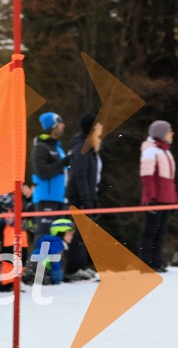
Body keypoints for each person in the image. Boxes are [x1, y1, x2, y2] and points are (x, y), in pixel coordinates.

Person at [65, 113, 103, 278]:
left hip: (87, 196)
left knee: (84, 233)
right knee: (77, 233)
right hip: (78, 198)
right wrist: (86, 199)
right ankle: (73, 269)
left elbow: (92, 177)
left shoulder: (90, 148)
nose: (101, 131)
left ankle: (80, 265)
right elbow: (80, 176)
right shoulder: (81, 148)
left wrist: (93, 197)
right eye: (98, 127)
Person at [138, 120, 177, 272]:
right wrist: (150, 199)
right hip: (155, 200)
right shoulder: (150, 151)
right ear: (161, 133)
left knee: (160, 232)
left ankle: (156, 262)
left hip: (166, 199)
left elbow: (170, 180)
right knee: (150, 231)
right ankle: (146, 264)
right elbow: (147, 178)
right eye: (169, 130)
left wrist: (173, 200)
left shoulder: (166, 151)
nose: (172, 133)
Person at [31, 112, 69, 243]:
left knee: (57, 240)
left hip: (59, 200)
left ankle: (52, 264)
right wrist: (63, 163)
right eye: (60, 123)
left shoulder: (58, 149)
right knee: (44, 238)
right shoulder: (40, 148)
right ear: (53, 126)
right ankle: (36, 264)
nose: (63, 126)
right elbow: (42, 172)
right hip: (45, 200)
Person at [0, 182, 35, 292]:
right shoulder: (6, 184)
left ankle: (16, 280)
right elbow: (4, 202)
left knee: (22, 252)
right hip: (8, 224)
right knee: (9, 252)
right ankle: (5, 282)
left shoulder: (21, 184)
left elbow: (27, 207)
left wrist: (27, 197)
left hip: (21, 225)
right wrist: (19, 191)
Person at [26, 218, 75, 285]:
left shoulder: (53, 242)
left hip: (34, 269)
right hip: (37, 270)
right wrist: (57, 279)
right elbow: (55, 262)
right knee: (49, 281)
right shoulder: (56, 244)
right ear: (60, 233)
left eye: (72, 234)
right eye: (69, 234)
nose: (71, 237)